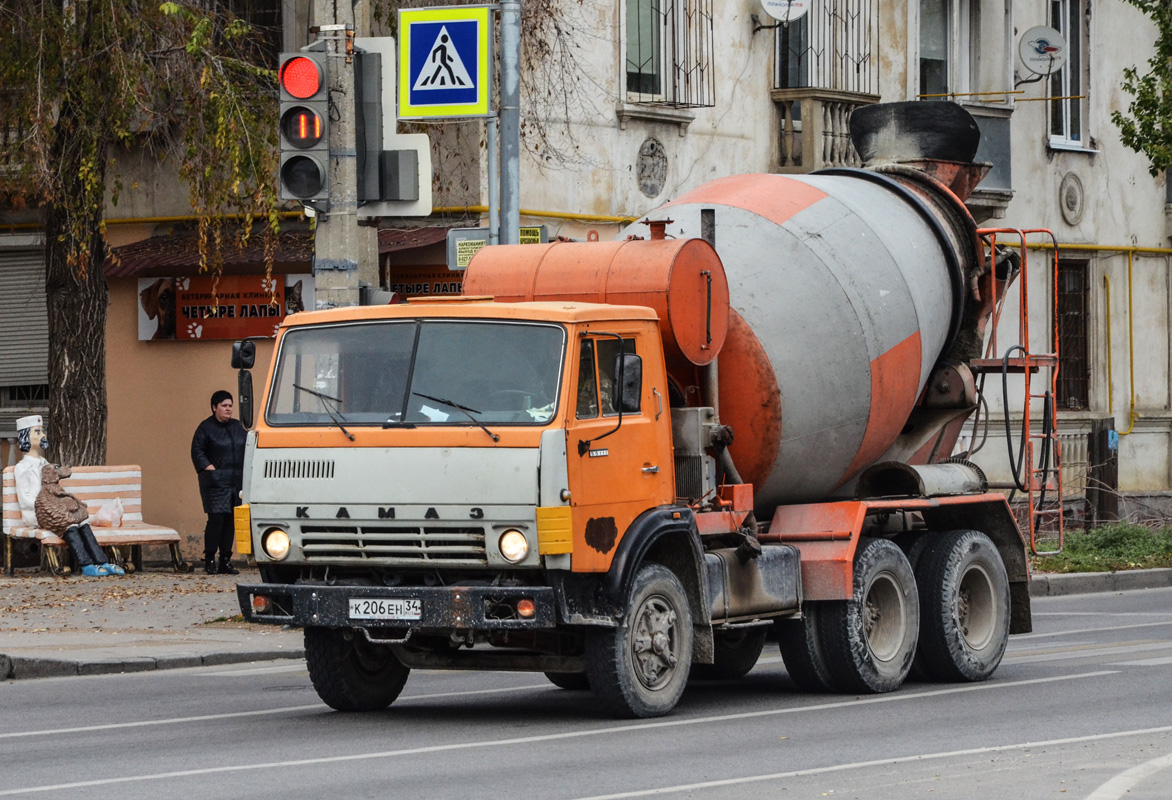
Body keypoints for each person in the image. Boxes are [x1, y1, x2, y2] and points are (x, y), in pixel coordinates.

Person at [13, 415, 124, 577]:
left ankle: (102, 562)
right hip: (38, 514)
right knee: (70, 526)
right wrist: (51, 508)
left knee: (82, 523)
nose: (42, 435)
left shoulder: (45, 463)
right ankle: (86, 565)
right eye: (37, 432)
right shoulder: (22, 468)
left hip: (55, 511)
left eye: (41, 431)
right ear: (25, 437)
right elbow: (25, 500)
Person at [191, 390, 247, 575]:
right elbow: (197, 450)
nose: (228, 409)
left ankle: (225, 560)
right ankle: (209, 560)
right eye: (224, 405)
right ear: (214, 407)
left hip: (235, 481)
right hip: (215, 482)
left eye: (230, 406)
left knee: (231, 519)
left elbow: (247, 446)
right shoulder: (205, 428)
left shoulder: (238, 427)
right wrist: (208, 467)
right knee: (216, 519)